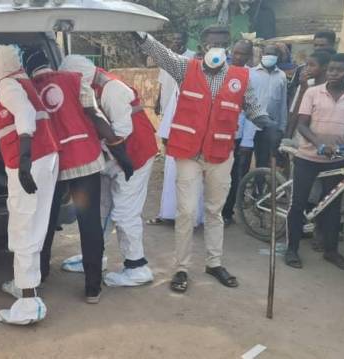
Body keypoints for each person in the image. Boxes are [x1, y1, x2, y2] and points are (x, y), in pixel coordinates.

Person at [134, 25, 277, 293]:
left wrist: (266, 123)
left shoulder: (239, 77)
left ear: (229, 44)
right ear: (202, 45)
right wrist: (140, 34)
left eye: (222, 43)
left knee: (214, 211)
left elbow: (253, 106)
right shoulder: (185, 68)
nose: (217, 48)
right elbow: (161, 53)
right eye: (212, 43)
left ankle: (214, 263)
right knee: (186, 212)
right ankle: (181, 267)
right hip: (188, 153)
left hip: (220, 154)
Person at [20, 50, 129, 304]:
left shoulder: (27, 90)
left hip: (53, 164)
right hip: (84, 160)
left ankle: (40, 274)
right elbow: (95, 116)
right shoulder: (74, 79)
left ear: (28, 69)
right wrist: (118, 150)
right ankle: (93, 288)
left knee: (44, 222)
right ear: (50, 63)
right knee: (89, 223)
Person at [58, 55, 159, 287]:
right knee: (100, 210)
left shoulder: (112, 89)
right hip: (112, 159)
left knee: (124, 213)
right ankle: (94, 256)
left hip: (134, 158)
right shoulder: (95, 85)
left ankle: (137, 267)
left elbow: (122, 132)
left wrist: (94, 149)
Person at [0, 44, 59, 325]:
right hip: (47, 158)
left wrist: (25, 159)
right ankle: (25, 285)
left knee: (22, 225)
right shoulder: (23, 81)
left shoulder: (7, 85)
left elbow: (25, 115)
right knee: (35, 223)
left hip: (31, 161)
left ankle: (27, 303)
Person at [284, 53, 344, 270]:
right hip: (308, 156)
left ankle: (331, 251)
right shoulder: (313, 92)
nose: (333, 73)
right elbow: (302, 125)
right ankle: (292, 249)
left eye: (339, 70)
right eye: (331, 69)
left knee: (332, 207)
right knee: (298, 204)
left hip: (338, 158)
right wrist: (319, 143)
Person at [150, 31, 203, 226]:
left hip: (196, 138)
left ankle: (193, 217)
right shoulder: (169, 63)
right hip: (175, 129)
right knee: (174, 175)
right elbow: (164, 88)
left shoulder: (190, 66)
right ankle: (171, 213)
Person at [223, 40, 255, 225]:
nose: (238, 57)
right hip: (218, 132)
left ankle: (227, 212)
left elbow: (253, 111)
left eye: (243, 54)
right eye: (236, 53)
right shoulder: (221, 72)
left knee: (233, 174)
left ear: (249, 56)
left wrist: (247, 141)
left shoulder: (252, 77)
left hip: (238, 135)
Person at [288, 31, 336, 104]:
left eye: (322, 45)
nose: (318, 48)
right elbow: (293, 93)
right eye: (315, 45)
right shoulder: (302, 69)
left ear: (332, 45)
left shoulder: (340, 68)